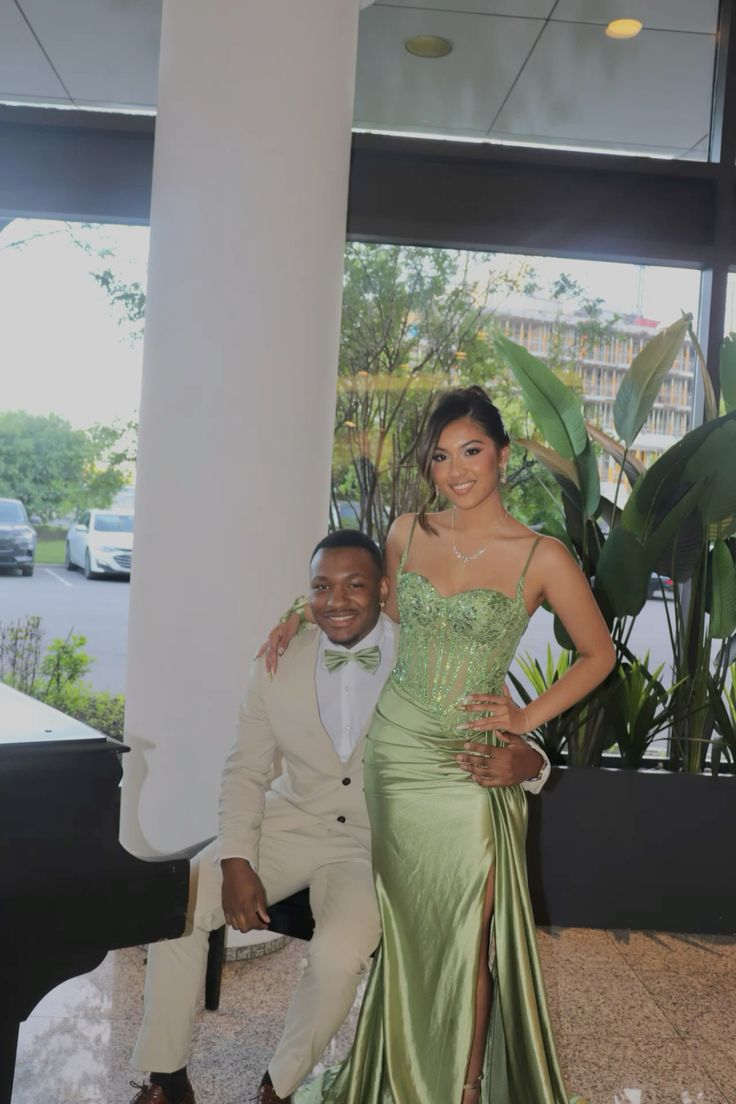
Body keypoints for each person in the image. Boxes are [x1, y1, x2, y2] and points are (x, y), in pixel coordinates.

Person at [269, 387, 615, 1103]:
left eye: (471, 451)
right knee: (408, 929)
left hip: (469, 764)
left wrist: (525, 718)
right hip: (395, 755)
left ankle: (461, 1088)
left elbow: (599, 655)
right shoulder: (406, 531)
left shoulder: (542, 555)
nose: (456, 470)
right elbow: (372, 608)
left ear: (502, 455)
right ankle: (400, 1074)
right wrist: (300, 613)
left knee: (466, 938)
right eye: (440, 457)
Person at [129, 528, 550, 1104]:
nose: (337, 600)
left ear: (384, 589)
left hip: (380, 842)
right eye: (322, 587)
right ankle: (167, 1079)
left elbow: (503, 726)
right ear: (307, 595)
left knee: (338, 955)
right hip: (293, 819)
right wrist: (236, 859)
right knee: (175, 905)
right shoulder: (275, 663)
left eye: (355, 585)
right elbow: (245, 770)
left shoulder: (428, 658)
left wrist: (534, 762)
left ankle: (278, 1086)